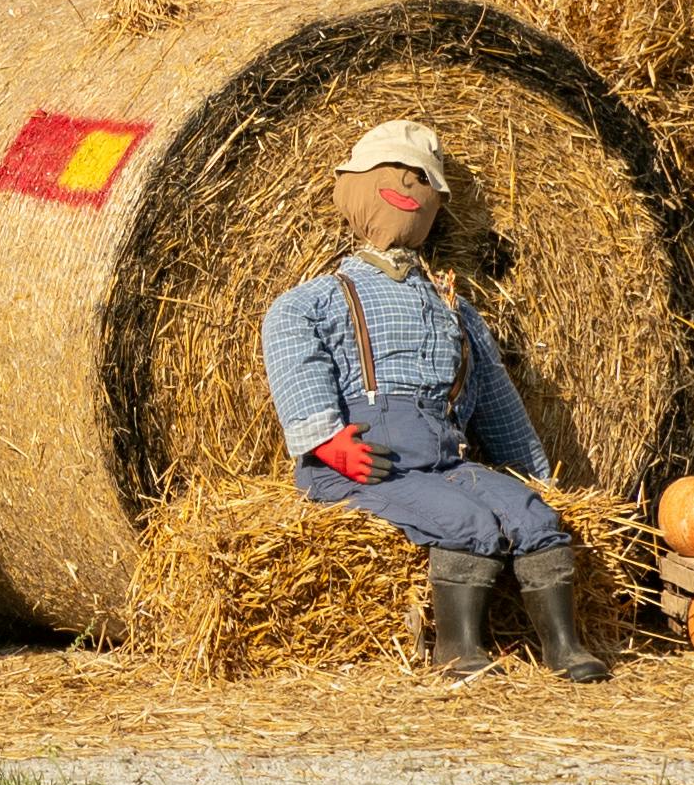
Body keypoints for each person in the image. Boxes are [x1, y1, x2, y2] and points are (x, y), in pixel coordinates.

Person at [257, 117, 608, 683]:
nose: (410, 184)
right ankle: (457, 649)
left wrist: (536, 475)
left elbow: (496, 400)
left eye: (424, 179)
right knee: (466, 521)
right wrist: (323, 438)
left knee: (533, 515)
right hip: (363, 467)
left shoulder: (454, 310)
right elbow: (290, 346)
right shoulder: (319, 298)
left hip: (446, 458)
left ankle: (564, 650)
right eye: (395, 172)